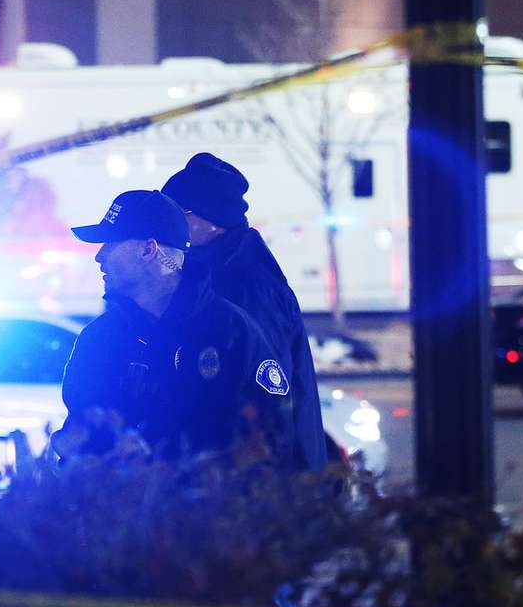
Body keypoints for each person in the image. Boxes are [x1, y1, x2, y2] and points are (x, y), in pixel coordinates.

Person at [54, 189, 309, 470]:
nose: (99, 256)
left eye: (111, 243)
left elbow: (272, 431)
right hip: (122, 498)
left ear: (148, 250)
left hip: (215, 498)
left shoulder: (230, 330)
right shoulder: (99, 339)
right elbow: (81, 437)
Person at [162, 153, 328, 472]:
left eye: (179, 213)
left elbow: (268, 389)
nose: (170, 225)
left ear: (211, 218)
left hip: (267, 477)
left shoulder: (247, 284)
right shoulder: (223, 270)